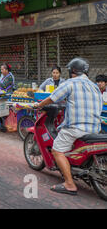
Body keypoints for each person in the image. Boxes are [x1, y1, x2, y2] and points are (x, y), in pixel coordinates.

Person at [35, 58, 102, 196]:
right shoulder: (95, 86)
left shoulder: (70, 83)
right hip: (95, 128)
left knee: (57, 151)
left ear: (72, 71)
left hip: (76, 128)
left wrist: (40, 105)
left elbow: (53, 98)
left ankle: (69, 184)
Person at [0, 63, 15, 132]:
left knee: (4, 110)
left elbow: (4, 85)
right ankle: (2, 125)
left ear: (7, 70)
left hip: (8, 95)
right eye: (1, 69)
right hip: (2, 94)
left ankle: (4, 125)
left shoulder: (9, 77)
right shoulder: (3, 76)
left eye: (2, 69)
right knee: (0, 109)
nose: (1, 71)